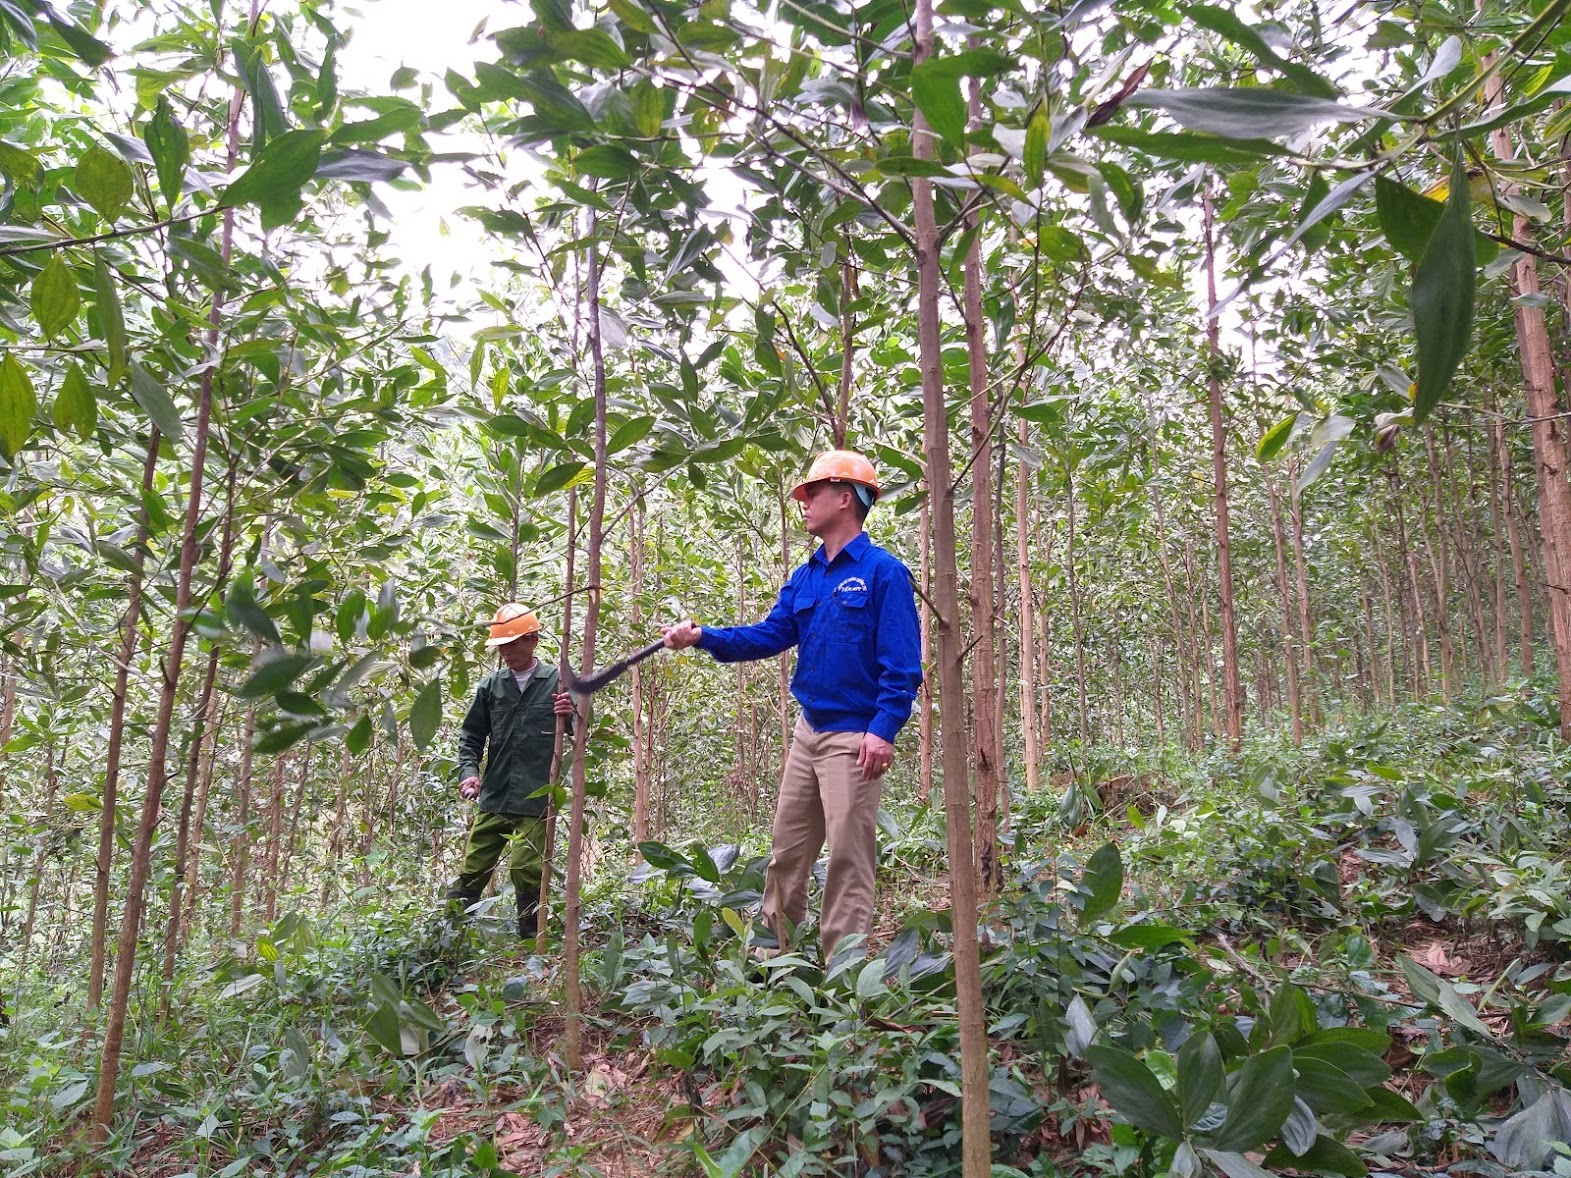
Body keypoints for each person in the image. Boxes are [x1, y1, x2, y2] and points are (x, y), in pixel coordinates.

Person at [663, 450, 922, 961]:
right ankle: (771, 958)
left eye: (812, 494)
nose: (802, 504)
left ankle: (841, 969)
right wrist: (702, 636)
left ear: (845, 499)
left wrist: (883, 728)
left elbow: (902, 663)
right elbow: (770, 635)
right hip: (809, 733)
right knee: (787, 853)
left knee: (849, 858)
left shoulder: (883, 573)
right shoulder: (806, 578)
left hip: (855, 738)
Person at [446, 603, 574, 941]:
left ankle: (530, 940)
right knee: (473, 869)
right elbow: (471, 736)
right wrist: (469, 772)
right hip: (495, 793)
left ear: (532, 640)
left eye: (512, 644)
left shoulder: (557, 682)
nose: (506, 652)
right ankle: (447, 939)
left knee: (526, 868)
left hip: (536, 796)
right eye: (501, 646)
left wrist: (571, 713)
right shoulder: (491, 686)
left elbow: (580, 731)